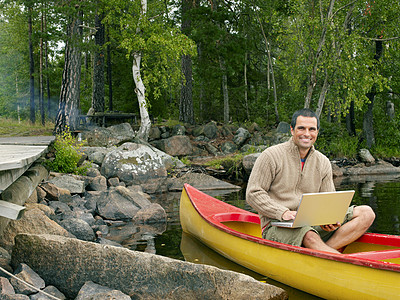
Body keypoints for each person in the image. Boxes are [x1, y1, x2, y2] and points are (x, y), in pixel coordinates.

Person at [246, 108, 375, 253]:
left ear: (317, 132)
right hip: (277, 225)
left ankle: (323, 252)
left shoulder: (323, 162)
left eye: (311, 129)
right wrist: (282, 212)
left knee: (366, 213)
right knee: (308, 234)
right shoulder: (270, 156)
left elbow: (328, 201)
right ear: (292, 130)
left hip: (312, 222)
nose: (307, 134)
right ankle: (337, 259)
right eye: (301, 128)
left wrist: (330, 219)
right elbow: (253, 193)